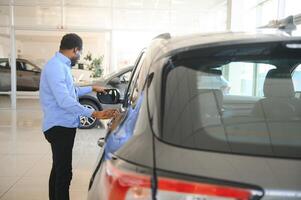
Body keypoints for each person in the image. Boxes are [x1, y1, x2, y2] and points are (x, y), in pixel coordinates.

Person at [39, 33, 118, 200]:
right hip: (59, 127)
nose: (79, 56)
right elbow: (64, 100)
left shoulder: (61, 66)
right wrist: (93, 113)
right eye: (80, 53)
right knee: (64, 174)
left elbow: (72, 91)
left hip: (61, 125)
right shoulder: (56, 67)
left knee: (58, 169)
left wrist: (92, 88)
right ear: (75, 50)